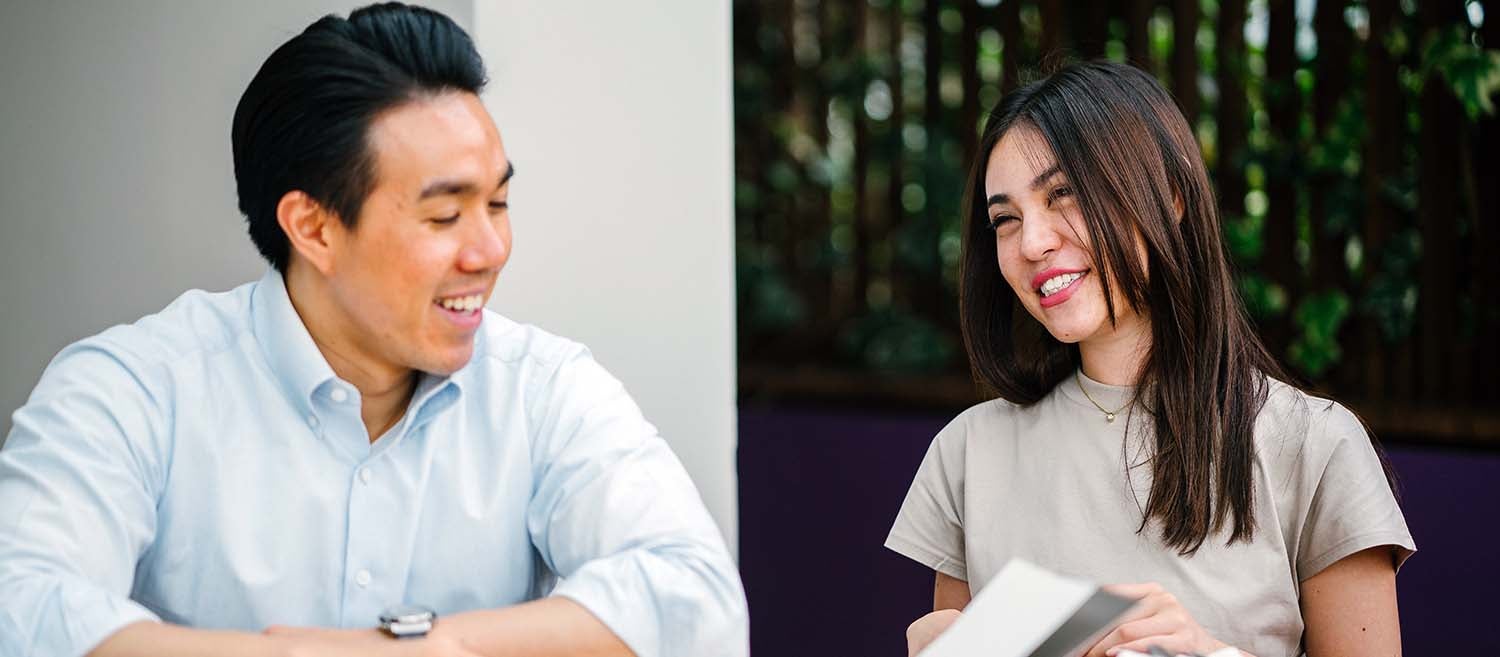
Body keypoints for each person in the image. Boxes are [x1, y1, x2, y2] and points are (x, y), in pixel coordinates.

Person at [0, 4, 747, 657]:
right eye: (445, 215)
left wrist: (430, 646)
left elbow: (697, 598)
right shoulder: (132, 389)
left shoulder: (542, 389)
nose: (489, 251)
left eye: (498, 204)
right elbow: (21, 606)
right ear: (313, 227)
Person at [886, 61, 1413, 657]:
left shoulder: (1315, 446)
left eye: (1065, 195)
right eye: (1006, 220)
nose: (1032, 243)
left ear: (1171, 195)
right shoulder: (967, 454)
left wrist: (1210, 655)